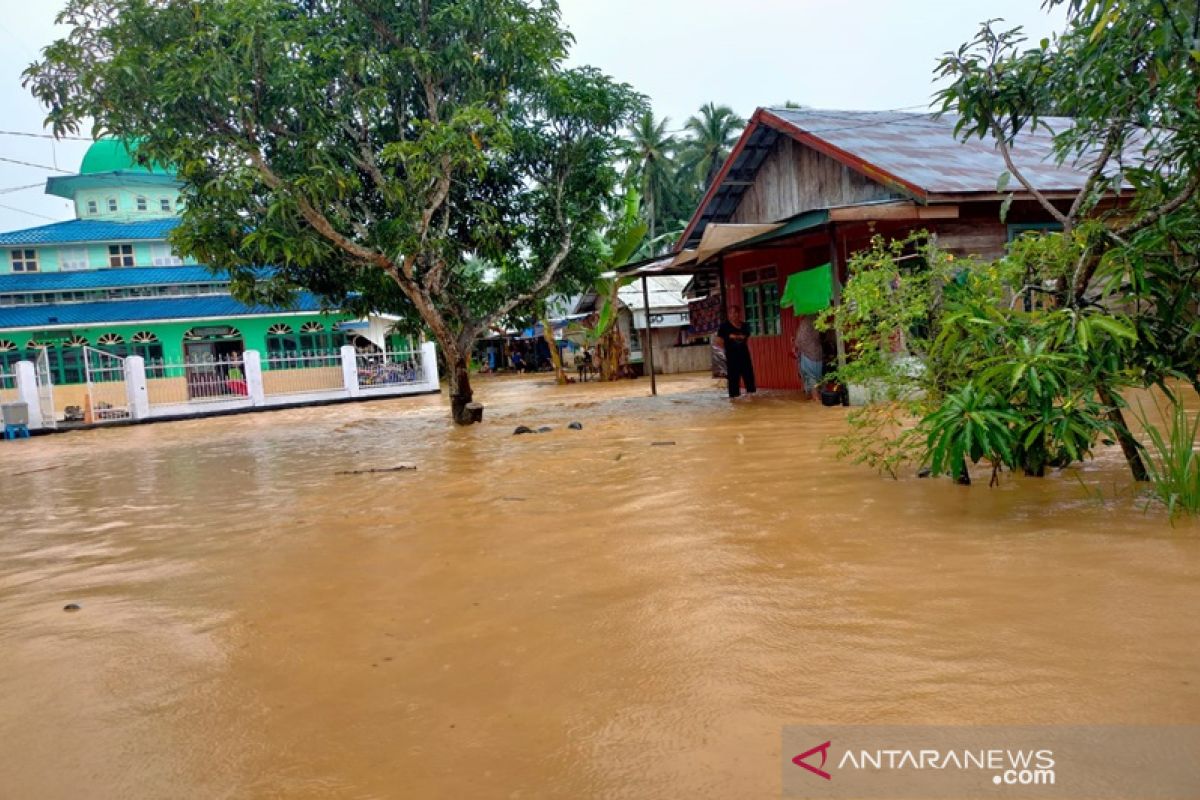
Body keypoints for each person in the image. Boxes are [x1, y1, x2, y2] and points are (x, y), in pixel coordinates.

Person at [717, 305, 756, 398]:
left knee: (749, 378)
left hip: (744, 356)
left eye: (735, 312)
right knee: (733, 380)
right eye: (731, 313)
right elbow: (719, 341)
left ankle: (752, 399)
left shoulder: (745, 326)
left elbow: (745, 336)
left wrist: (734, 336)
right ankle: (734, 401)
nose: (733, 315)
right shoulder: (724, 327)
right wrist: (726, 351)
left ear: (739, 314)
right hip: (731, 357)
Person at [792, 314, 824, 401]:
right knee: (818, 376)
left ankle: (815, 398)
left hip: (807, 353)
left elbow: (799, 340)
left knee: (810, 376)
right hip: (817, 352)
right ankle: (818, 397)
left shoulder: (805, 322)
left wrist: (795, 346)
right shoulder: (819, 320)